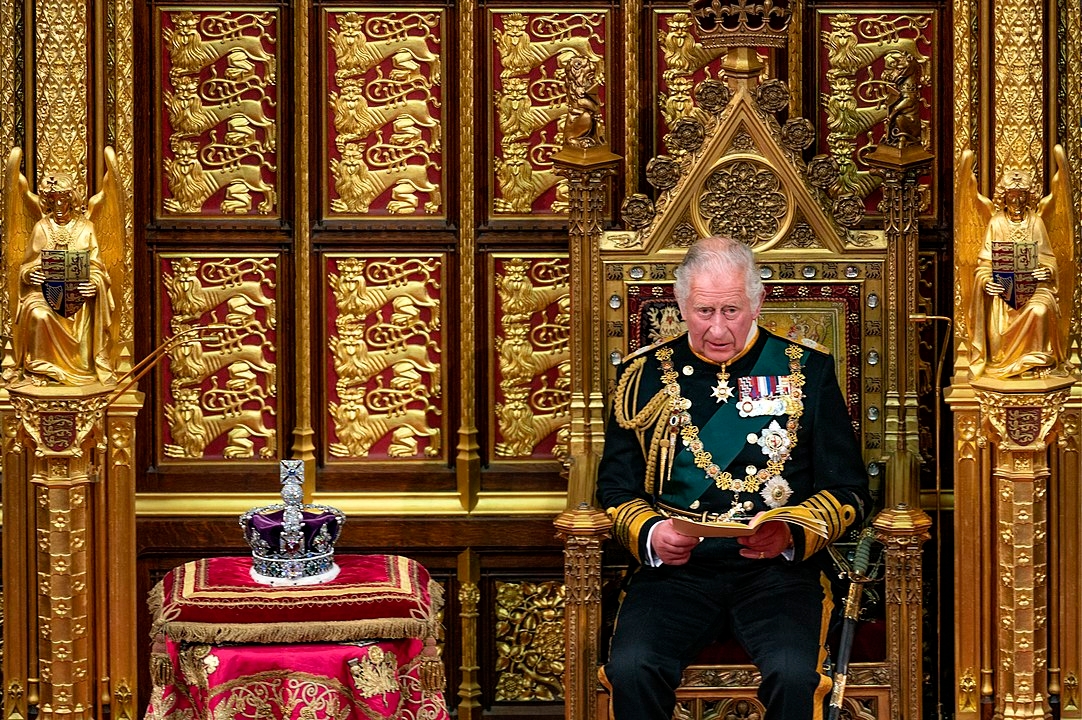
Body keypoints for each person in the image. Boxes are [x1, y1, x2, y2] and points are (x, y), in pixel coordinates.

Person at [597, 236, 870, 719]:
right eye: (703, 312)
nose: (718, 329)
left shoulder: (807, 371)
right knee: (632, 667)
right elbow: (616, 489)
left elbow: (849, 489)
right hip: (678, 574)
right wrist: (654, 534)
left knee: (793, 673)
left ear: (757, 302)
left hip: (778, 574)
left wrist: (790, 532)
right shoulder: (641, 377)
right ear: (681, 305)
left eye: (731, 310)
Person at [11, 173, 116, 385]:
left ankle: (82, 366)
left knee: (81, 311)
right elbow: (27, 265)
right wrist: (31, 274)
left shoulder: (87, 227)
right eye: (52, 200)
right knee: (38, 313)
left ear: (71, 200)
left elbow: (97, 267)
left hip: (78, 299)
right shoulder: (41, 227)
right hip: (44, 295)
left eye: (62, 199)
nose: (58, 205)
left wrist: (94, 285)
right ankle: (40, 369)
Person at [967, 173, 1065, 379]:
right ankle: (1004, 361)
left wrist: (1046, 270)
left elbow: (1049, 259)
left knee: (1040, 310)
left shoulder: (1036, 222)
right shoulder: (996, 223)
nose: (1017, 201)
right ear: (1004, 196)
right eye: (1012, 196)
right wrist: (986, 281)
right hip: (1003, 291)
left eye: (1022, 196)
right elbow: (984, 264)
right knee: (999, 321)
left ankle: (1035, 362)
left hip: (1035, 288)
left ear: (1029, 197)